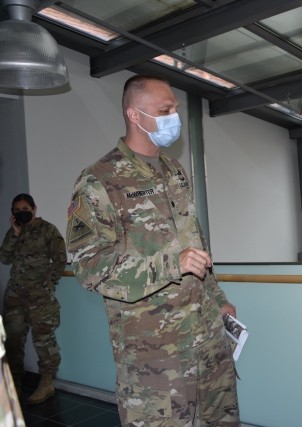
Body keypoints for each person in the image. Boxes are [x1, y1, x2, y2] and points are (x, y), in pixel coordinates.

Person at [66, 75, 239, 426]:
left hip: (206, 337)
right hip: (154, 354)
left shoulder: (175, 171)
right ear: (134, 114)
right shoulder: (99, 180)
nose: (175, 116)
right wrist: (169, 265)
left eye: (174, 108)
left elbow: (196, 244)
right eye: (165, 110)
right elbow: (89, 266)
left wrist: (217, 296)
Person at [0, 193, 66, 405]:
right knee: (13, 340)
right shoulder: (15, 231)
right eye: (16, 210)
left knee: (44, 340)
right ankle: (15, 384)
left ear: (34, 209)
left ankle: (46, 383)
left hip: (39, 297)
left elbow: (59, 258)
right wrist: (15, 233)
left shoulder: (48, 229)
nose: (21, 213)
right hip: (15, 296)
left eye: (24, 209)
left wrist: (49, 284)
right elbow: (4, 258)